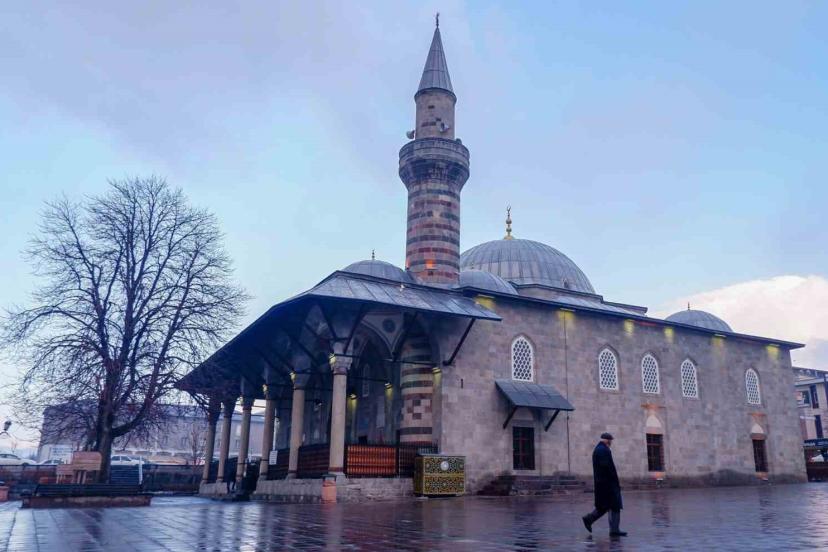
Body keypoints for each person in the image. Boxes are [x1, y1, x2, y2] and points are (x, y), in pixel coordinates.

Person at [582, 432, 627, 537]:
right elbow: (607, 468)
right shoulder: (603, 450)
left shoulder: (600, 449)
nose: (611, 442)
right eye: (611, 441)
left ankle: (590, 519)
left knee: (606, 506)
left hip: (604, 484)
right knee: (614, 505)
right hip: (607, 484)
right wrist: (613, 483)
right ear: (607, 440)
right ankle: (613, 530)